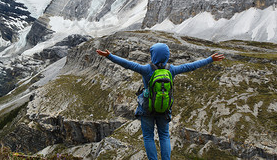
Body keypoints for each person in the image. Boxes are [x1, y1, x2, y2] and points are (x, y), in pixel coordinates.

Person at [96, 43, 225, 160]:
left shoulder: (146, 69)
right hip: (164, 109)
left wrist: (109, 56)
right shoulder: (171, 70)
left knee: (148, 137)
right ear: (167, 56)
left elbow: (127, 64)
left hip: (146, 109)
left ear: (153, 55)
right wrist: (210, 59)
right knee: (164, 136)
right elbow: (190, 66)